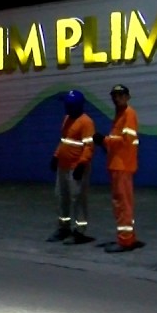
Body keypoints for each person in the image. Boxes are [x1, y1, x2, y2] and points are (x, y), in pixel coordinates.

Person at [94, 84, 143, 253]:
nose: (117, 98)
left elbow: (125, 141)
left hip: (122, 165)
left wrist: (104, 141)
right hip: (119, 164)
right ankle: (129, 237)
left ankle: (125, 240)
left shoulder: (128, 114)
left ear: (127, 97)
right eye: (114, 95)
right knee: (123, 202)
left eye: (120, 95)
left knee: (122, 203)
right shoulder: (121, 115)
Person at [48, 89, 95, 245]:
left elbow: (89, 146)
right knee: (61, 196)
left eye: (68, 104)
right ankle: (64, 228)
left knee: (78, 199)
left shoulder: (86, 122)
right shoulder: (67, 118)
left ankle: (79, 231)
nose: (66, 107)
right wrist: (56, 156)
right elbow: (64, 140)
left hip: (76, 168)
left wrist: (82, 164)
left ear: (77, 105)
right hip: (63, 166)